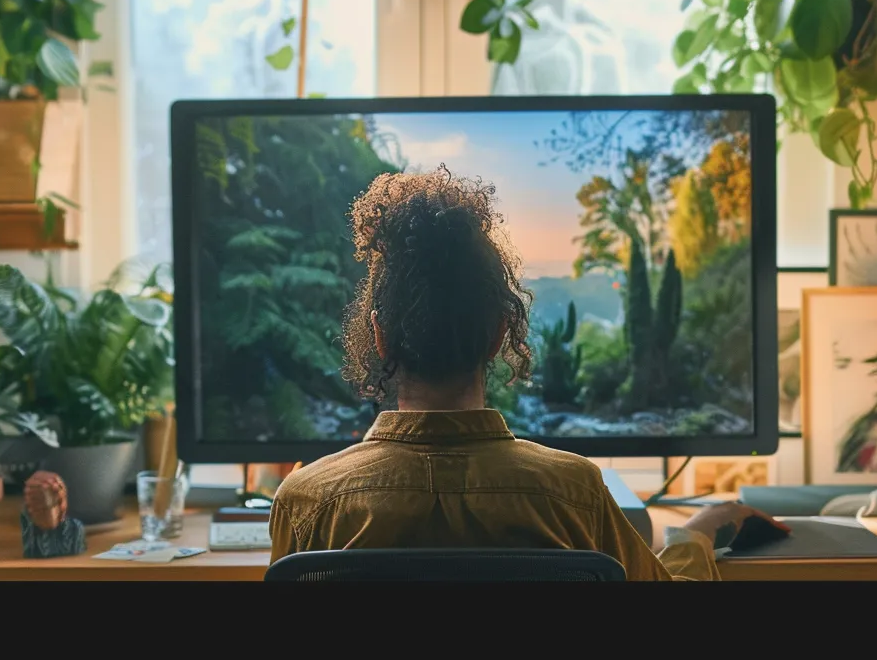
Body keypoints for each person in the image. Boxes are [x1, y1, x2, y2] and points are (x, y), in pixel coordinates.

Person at [267, 166, 788, 580]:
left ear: (379, 337)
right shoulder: (574, 493)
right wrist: (697, 532)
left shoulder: (309, 500)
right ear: (499, 334)